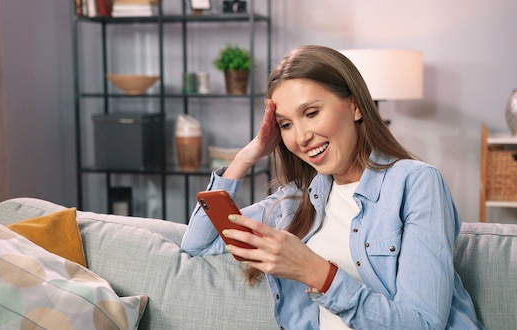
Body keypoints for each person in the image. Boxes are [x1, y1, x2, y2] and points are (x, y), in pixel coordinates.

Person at [180, 45, 483, 329]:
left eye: (311, 113)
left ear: (355, 107)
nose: (300, 137)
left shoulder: (416, 183)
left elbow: (423, 324)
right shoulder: (295, 202)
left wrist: (316, 272)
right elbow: (198, 244)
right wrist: (248, 155)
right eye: (286, 125)